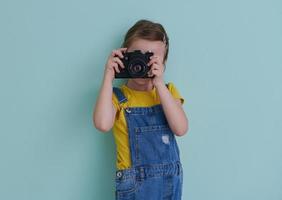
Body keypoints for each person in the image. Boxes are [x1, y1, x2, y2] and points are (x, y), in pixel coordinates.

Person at [93, 19, 189, 200]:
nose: (141, 65)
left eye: (150, 59)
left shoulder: (167, 92)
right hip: (133, 186)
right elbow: (102, 124)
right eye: (137, 56)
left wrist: (159, 83)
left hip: (169, 182)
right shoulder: (117, 97)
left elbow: (181, 128)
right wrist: (108, 76)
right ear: (123, 57)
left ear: (163, 63)